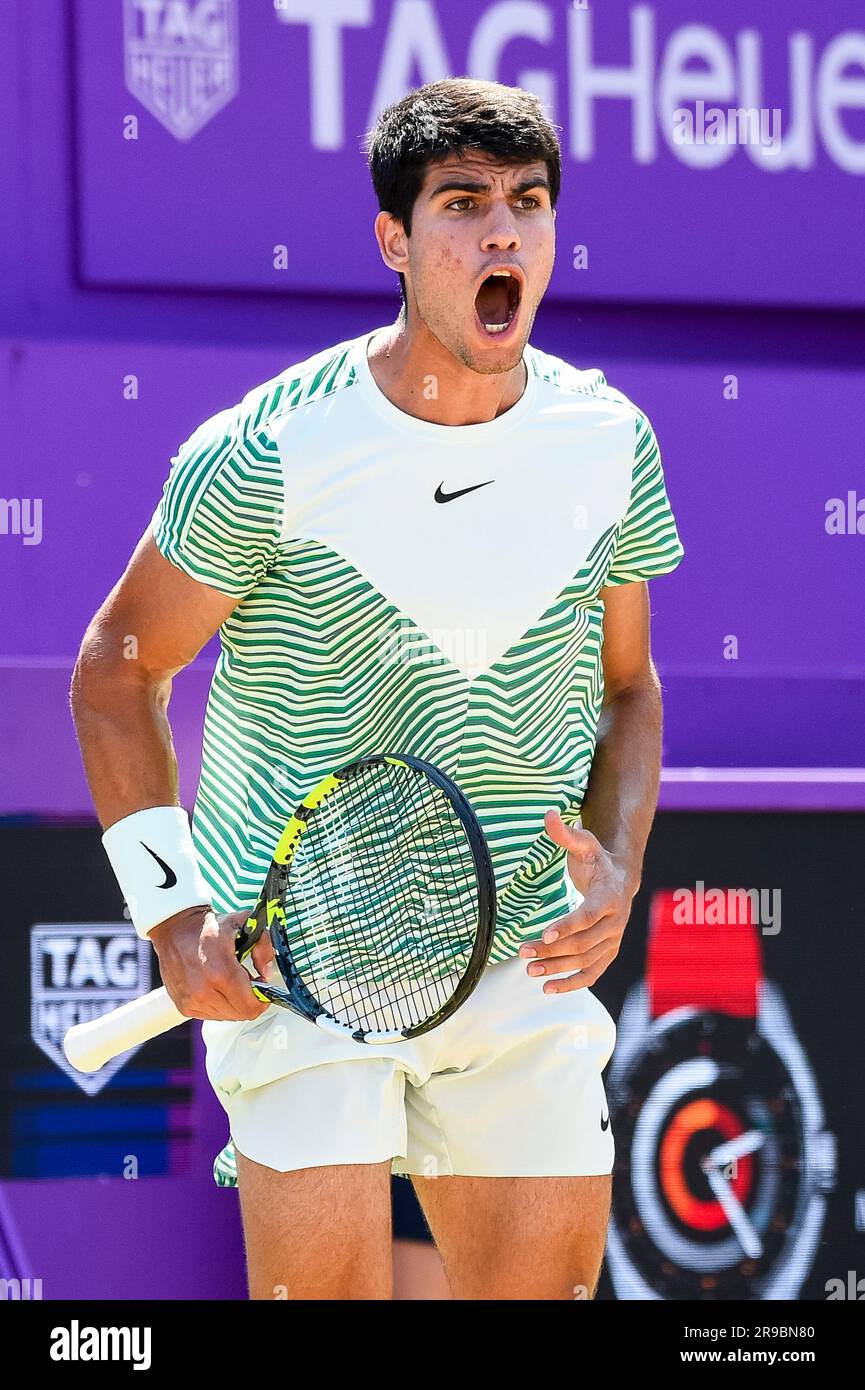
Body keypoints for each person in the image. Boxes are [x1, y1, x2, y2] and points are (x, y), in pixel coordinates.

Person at [71, 77, 683, 1301]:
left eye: (527, 202)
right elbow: (116, 674)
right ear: (394, 242)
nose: (501, 232)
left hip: (519, 950)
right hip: (299, 957)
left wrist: (616, 861)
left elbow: (629, 689)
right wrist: (173, 914)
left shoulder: (609, 442)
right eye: (461, 204)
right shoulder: (268, 450)